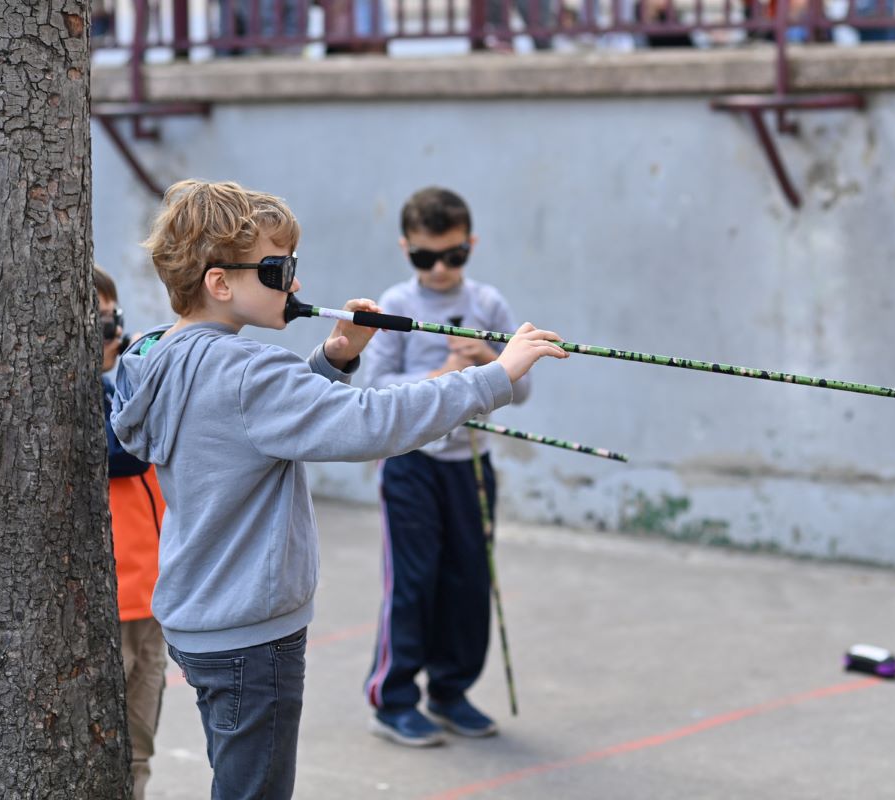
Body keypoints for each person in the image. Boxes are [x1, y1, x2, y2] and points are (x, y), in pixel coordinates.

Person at [109, 179, 566, 800]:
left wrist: (335, 358)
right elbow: (374, 423)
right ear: (220, 283)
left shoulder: (157, 357)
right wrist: (494, 375)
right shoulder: (248, 371)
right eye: (278, 269)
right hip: (251, 631)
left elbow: (250, 427)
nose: (293, 284)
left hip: (202, 619)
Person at [361, 187, 528, 747]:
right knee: (412, 581)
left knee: (469, 579)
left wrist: (488, 362)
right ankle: (394, 698)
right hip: (411, 466)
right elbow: (375, 388)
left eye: (453, 256)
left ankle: (451, 691)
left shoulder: (489, 305)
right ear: (406, 248)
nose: (438, 269)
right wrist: (443, 377)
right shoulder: (393, 303)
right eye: (424, 258)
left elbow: (520, 389)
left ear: (470, 246)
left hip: (469, 465)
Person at [95, 265, 167, 800]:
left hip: (154, 595)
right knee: (101, 741)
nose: (114, 337)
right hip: (109, 603)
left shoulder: (121, 381)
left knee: (139, 744)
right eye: (99, 329)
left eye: (113, 321)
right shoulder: (99, 395)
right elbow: (124, 456)